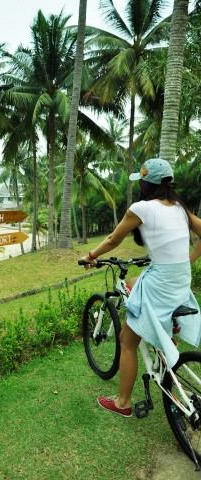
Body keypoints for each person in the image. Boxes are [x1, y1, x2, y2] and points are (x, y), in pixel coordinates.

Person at [81, 158, 201, 418]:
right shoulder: (180, 208)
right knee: (134, 283)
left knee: (126, 340)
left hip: (160, 283)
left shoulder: (141, 208)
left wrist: (91, 256)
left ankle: (123, 402)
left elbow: (113, 239)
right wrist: (186, 262)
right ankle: (162, 332)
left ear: (147, 184)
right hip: (179, 282)